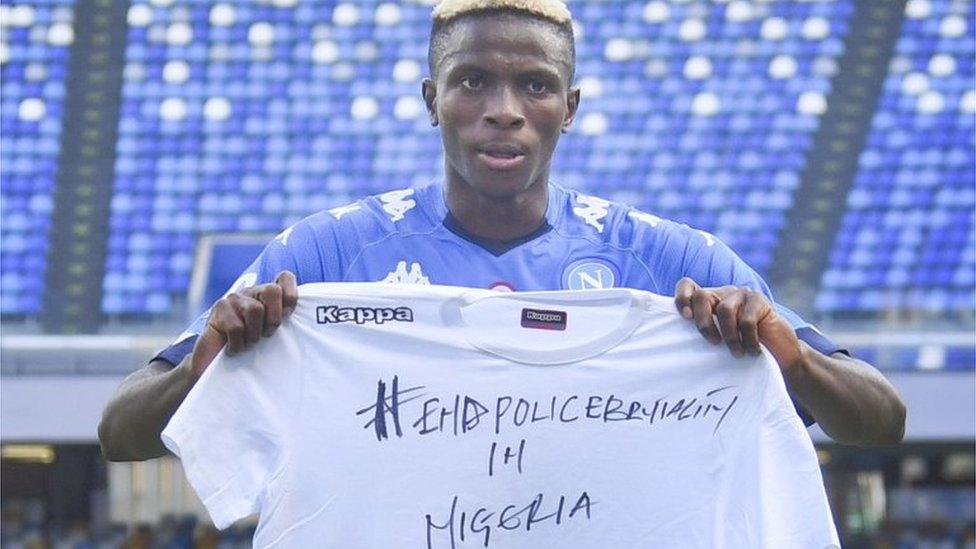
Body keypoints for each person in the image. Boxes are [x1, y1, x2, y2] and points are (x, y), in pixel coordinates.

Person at [98, 0, 905, 462]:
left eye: (535, 84)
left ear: (571, 108)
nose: (504, 109)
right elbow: (121, 432)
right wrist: (207, 355)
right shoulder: (324, 255)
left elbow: (881, 420)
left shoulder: (669, 260)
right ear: (431, 98)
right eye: (473, 80)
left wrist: (785, 352)